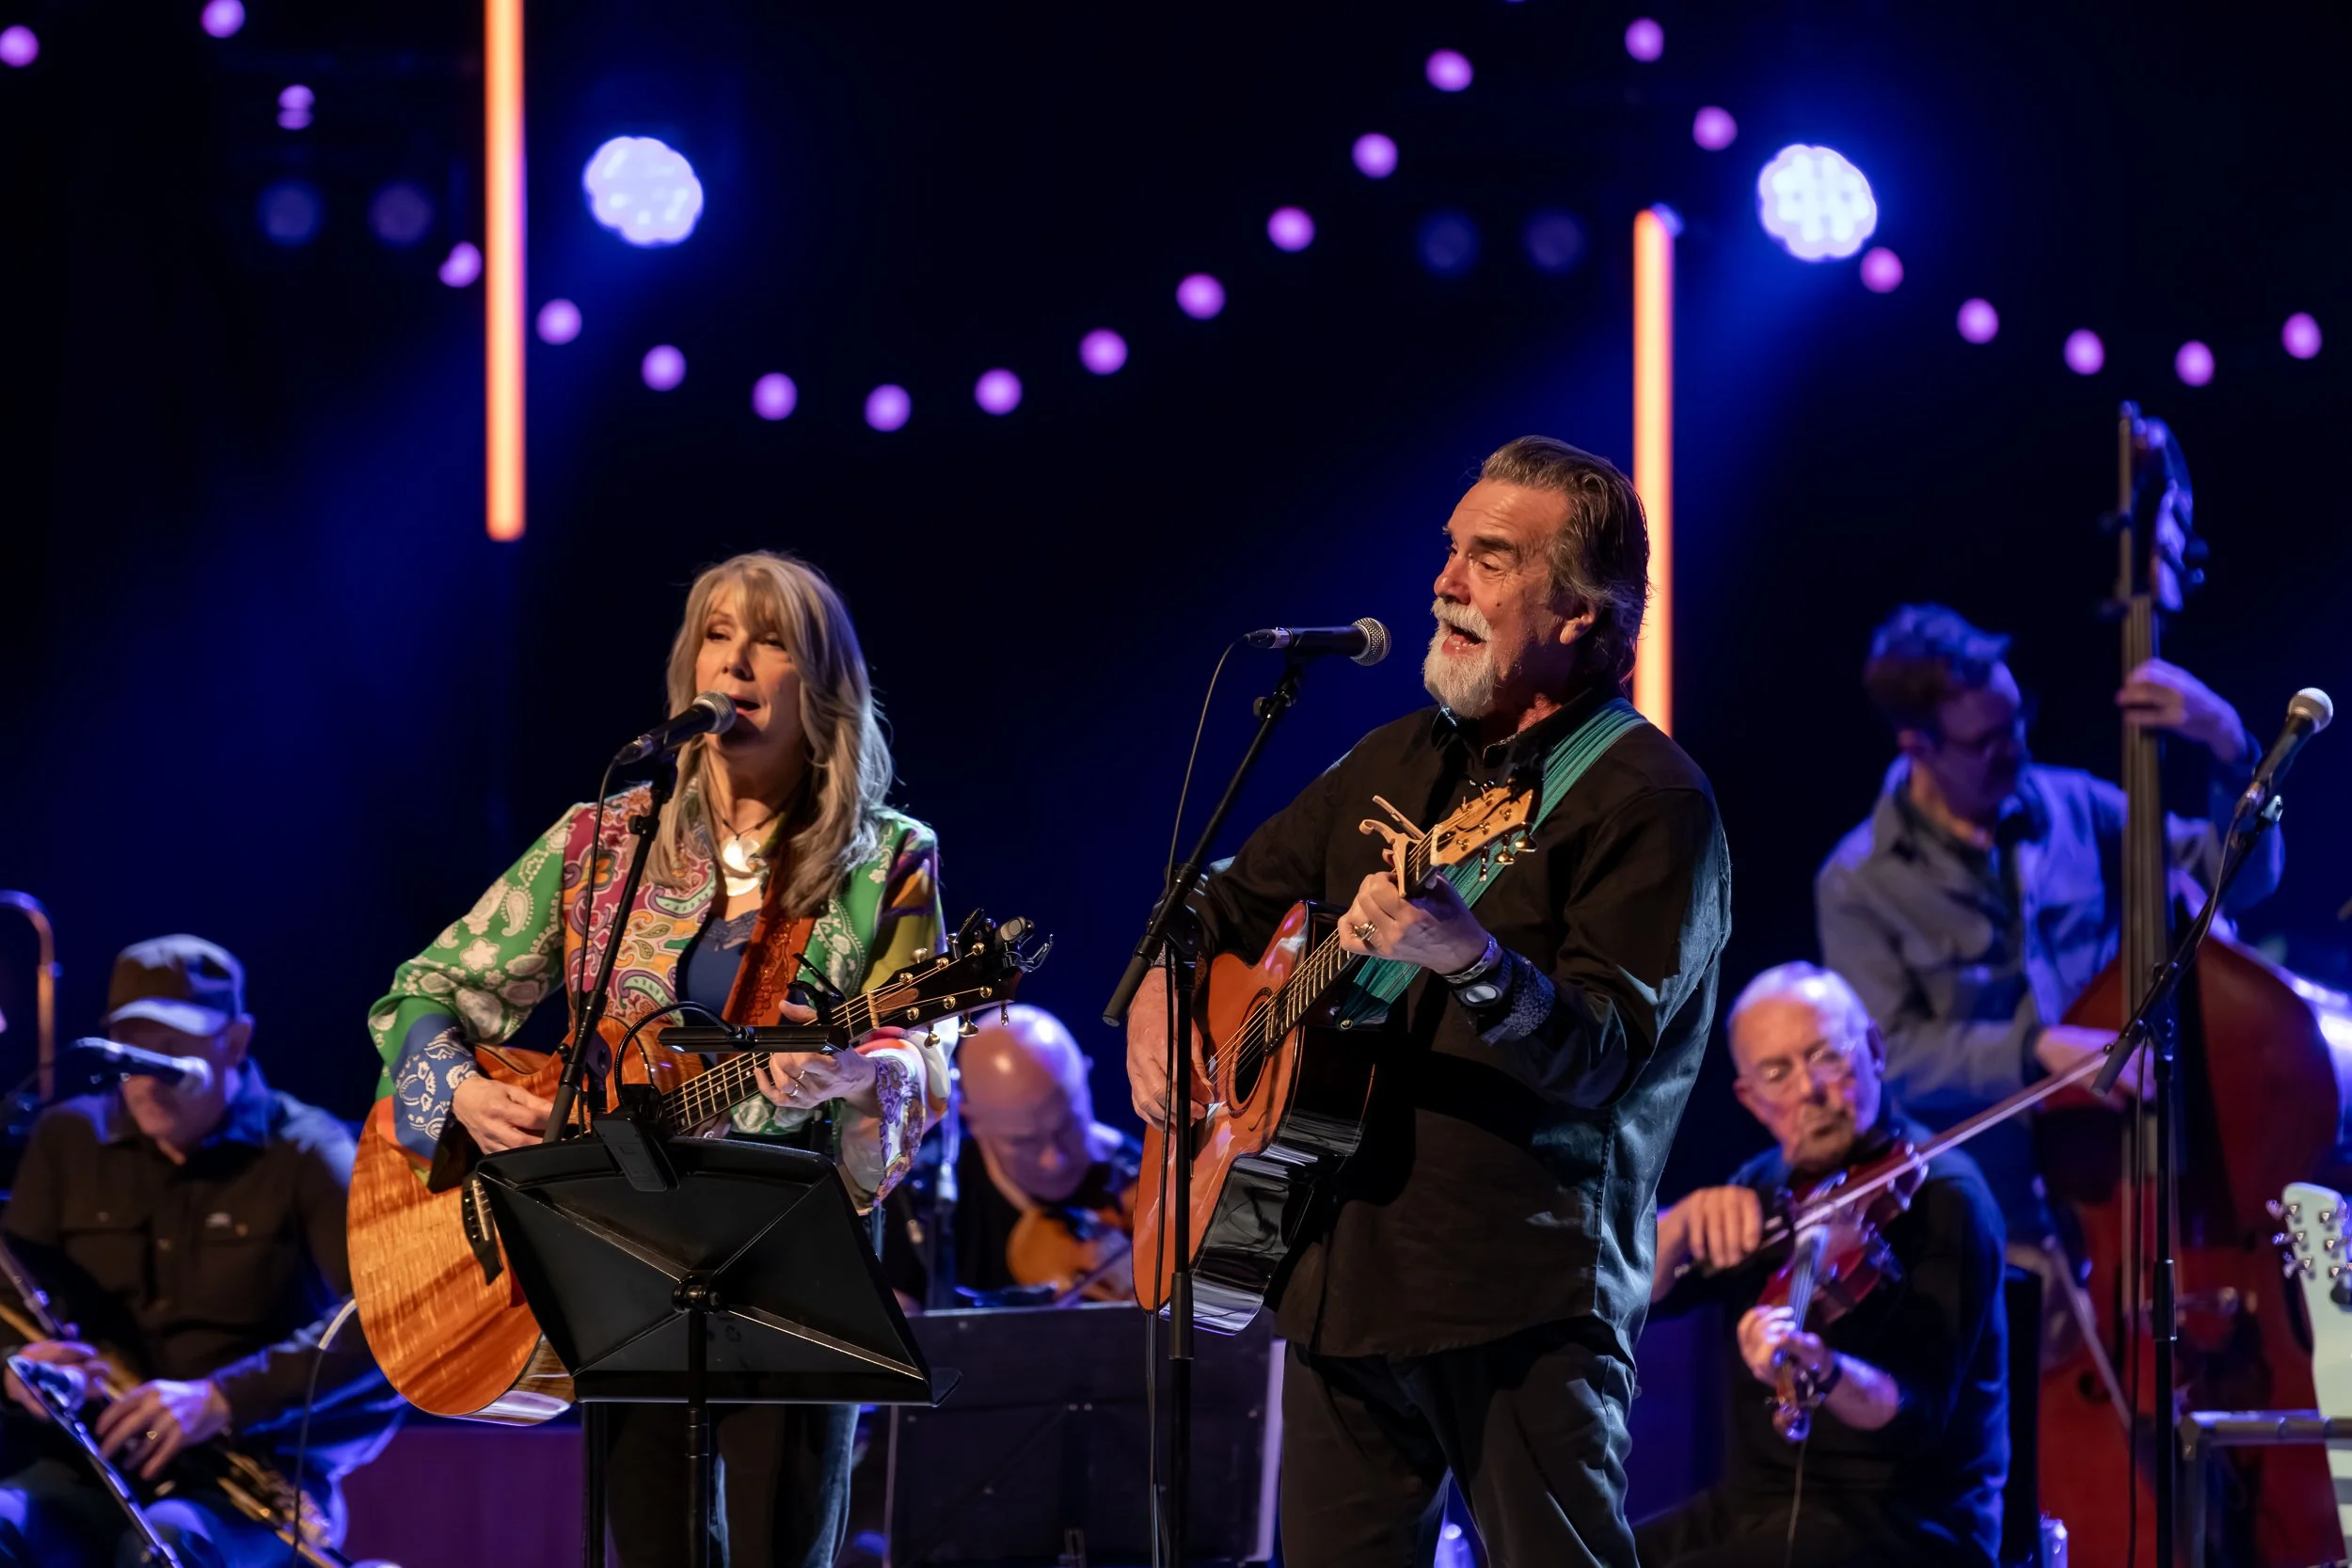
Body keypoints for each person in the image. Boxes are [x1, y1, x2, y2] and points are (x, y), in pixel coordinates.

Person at [1128, 436, 1732, 1568]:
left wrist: (1474, 959)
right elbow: (1216, 902)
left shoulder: (1650, 801)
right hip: (1331, 1269)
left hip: (1520, 1293)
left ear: (1580, 616)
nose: (1444, 584)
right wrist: (1165, 1005)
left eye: (1491, 560)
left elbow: (1604, 1054)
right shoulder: (1390, 758)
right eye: (1450, 551)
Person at [365, 550, 946, 1568]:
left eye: (770, 641)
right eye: (718, 635)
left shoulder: (884, 856)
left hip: (784, 1248)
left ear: (820, 683)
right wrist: (460, 1089)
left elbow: (922, 1048)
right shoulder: (605, 835)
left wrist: (858, 1073)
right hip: (619, 1250)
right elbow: (424, 989)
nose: (738, 662)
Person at [1814, 605, 2278, 1255]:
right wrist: (2035, 1048)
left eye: (2018, 720)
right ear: (1916, 743)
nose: (2017, 749)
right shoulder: (1856, 881)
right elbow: (1893, 1055)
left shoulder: (2080, 808)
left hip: (2124, 1178)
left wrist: (2231, 747)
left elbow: (2239, 879)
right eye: (1986, 741)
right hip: (1989, 1217)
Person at [0, 934, 400, 1566]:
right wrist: (22, 1369)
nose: (148, 1076)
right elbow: (10, 1310)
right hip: (85, 1465)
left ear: (235, 1041)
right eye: (133, 1051)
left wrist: (221, 1398)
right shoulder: (67, 1138)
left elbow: (387, 1322)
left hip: (242, 1482)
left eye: (171, 1049)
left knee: (166, 1546)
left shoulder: (308, 1151)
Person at [1640, 963, 2008, 1568]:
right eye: (1777, 1073)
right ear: (1752, 1100)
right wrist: (1678, 1228)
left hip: (1906, 1525)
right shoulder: (1764, 1187)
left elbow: (1917, 1414)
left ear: (1873, 1051)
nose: (1808, 1089)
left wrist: (1828, 1371)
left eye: (1825, 1056)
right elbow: (1629, 1300)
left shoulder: (1944, 1196)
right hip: (1755, 1505)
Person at [884, 1004, 1139, 1308]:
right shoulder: (919, 1198)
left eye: (1067, 1127)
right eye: (1023, 1142)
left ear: (1085, 1078)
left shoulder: (1145, 1181)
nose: (1053, 1160)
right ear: (972, 1119)